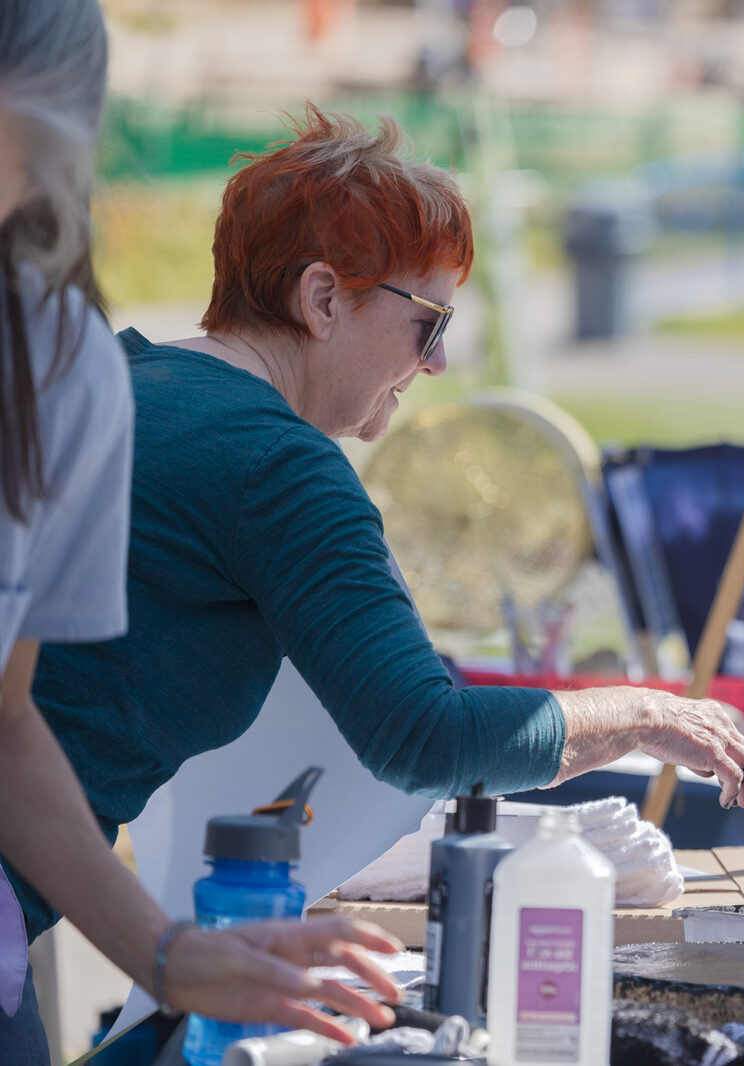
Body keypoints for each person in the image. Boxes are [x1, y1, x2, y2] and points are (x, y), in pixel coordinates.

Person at [3, 103, 744, 1049]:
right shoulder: (278, 465)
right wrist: (639, 713)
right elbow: (422, 734)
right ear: (322, 300)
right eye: (428, 323)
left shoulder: (115, 377)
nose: (437, 363)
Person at [0, 2, 404, 1059]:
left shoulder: (61, 365)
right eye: (427, 326)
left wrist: (168, 956)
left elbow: (5, 728)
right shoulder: (257, 452)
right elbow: (419, 726)